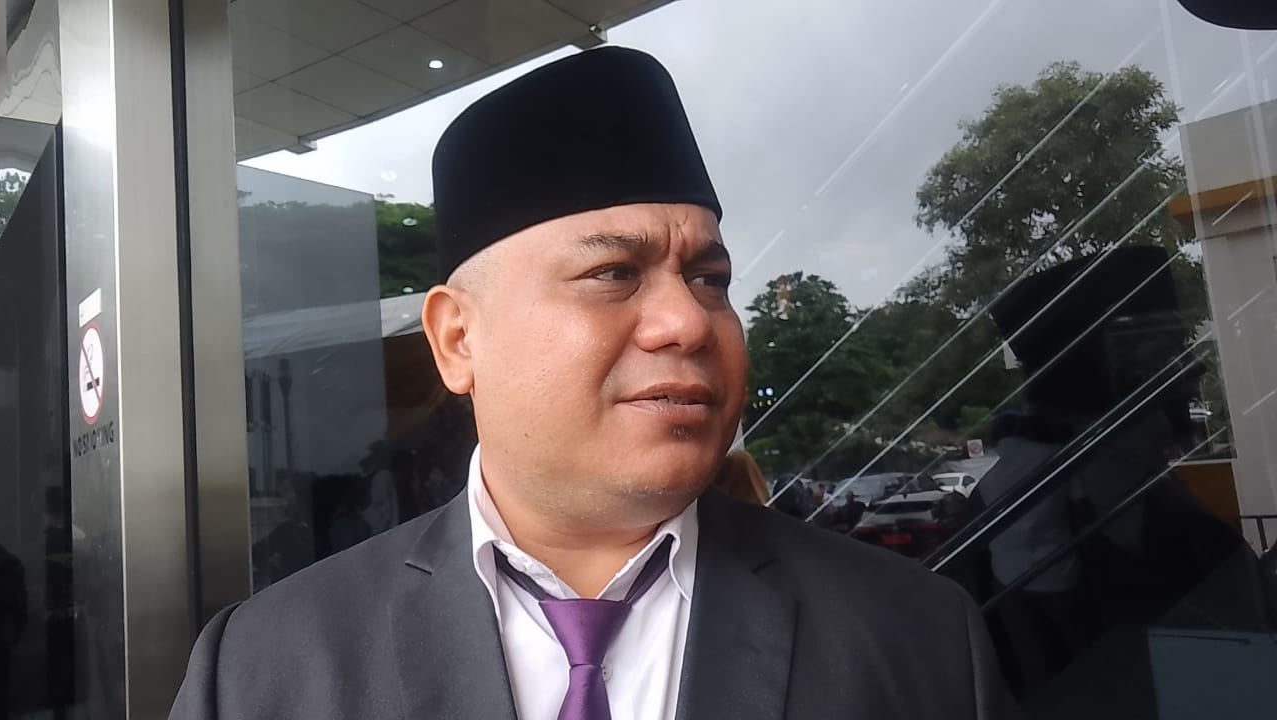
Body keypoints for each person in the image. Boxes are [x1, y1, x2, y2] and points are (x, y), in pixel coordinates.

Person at [169, 47, 1018, 720]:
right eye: (613, 273)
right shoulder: (264, 669)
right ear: (458, 339)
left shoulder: (917, 640)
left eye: (711, 279)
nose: (687, 322)